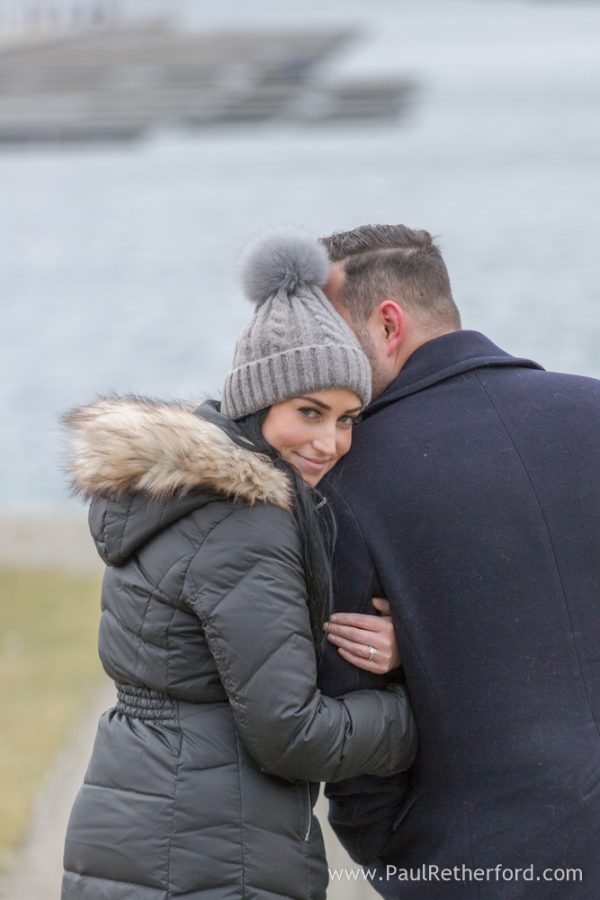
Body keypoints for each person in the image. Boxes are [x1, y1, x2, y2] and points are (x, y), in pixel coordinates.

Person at [60, 229, 417, 900]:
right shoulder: (246, 523)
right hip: (210, 849)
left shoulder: (179, 496)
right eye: (309, 412)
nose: (329, 442)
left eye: (346, 419)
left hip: (142, 818)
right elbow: (293, 734)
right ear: (257, 404)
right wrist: (417, 709)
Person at [317, 224, 600, 898]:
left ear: (388, 325)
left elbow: (357, 742)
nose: (320, 361)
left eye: (328, 338)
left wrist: (400, 853)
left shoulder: (350, 481)